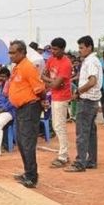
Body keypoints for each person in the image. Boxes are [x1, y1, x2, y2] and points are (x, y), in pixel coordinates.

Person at [8, 40, 47, 188]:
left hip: (29, 108)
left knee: (27, 143)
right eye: (9, 52)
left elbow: (40, 89)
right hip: (20, 109)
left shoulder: (28, 67)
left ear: (22, 53)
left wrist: (43, 101)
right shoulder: (17, 67)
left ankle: (32, 177)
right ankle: (27, 172)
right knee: (21, 141)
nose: (10, 55)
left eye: (13, 52)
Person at [65, 36, 103, 173]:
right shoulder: (92, 60)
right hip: (92, 101)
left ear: (89, 47)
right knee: (90, 133)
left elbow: (92, 81)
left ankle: (80, 162)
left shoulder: (91, 61)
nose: (79, 50)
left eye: (81, 47)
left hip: (87, 100)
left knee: (82, 132)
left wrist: (78, 92)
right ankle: (91, 160)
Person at [41, 37, 73, 168]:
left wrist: (49, 81)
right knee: (56, 125)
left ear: (62, 49)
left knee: (59, 126)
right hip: (54, 95)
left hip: (62, 96)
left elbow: (55, 83)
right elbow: (43, 76)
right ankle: (63, 153)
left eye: (56, 49)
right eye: (52, 49)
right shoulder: (51, 59)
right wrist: (51, 81)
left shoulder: (66, 63)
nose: (53, 52)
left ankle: (63, 156)